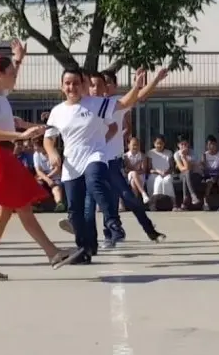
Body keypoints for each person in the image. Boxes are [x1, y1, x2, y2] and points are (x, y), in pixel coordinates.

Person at [0, 52, 82, 280]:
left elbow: (8, 119)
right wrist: (21, 135)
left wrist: (18, 60)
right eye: (11, 73)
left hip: (3, 155)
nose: (15, 77)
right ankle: (49, 253)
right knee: (11, 210)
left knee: (16, 209)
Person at [44, 66, 148, 263]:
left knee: (94, 181)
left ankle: (112, 220)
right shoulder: (57, 112)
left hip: (94, 156)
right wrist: (52, 153)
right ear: (62, 86)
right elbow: (49, 139)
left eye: (76, 83)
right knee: (75, 213)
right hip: (71, 165)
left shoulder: (96, 103)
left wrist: (136, 87)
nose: (72, 87)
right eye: (67, 83)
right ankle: (85, 249)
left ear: (82, 85)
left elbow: (124, 103)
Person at [91, 69, 166, 241]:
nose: (103, 87)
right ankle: (111, 232)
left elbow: (139, 95)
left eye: (107, 83)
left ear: (114, 86)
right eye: (96, 84)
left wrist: (153, 80)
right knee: (103, 199)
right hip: (94, 161)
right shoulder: (90, 105)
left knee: (126, 197)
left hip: (112, 161)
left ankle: (147, 229)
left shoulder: (116, 103)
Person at [200, 136, 219, 211]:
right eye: (209, 144)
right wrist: (210, 175)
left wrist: (215, 176)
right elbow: (204, 168)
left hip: (218, 174)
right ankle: (205, 203)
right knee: (209, 183)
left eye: (213, 144)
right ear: (207, 146)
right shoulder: (204, 155)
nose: (211, 146)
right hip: (208, 175)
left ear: (216, 145)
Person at [146, 135, 176, 205]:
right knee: (155, 180)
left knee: (167, 180)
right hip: (154, 174)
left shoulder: (169, 153)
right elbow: (149, 169)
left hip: (166, 174)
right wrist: (158, 172)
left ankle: (174, 204)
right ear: (154, 144)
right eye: (157, 143)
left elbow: (172, 167)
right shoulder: (150, 153)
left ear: (164, 144)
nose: (159, 145)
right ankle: (152, 203)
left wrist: (166, 172)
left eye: (161, 143)